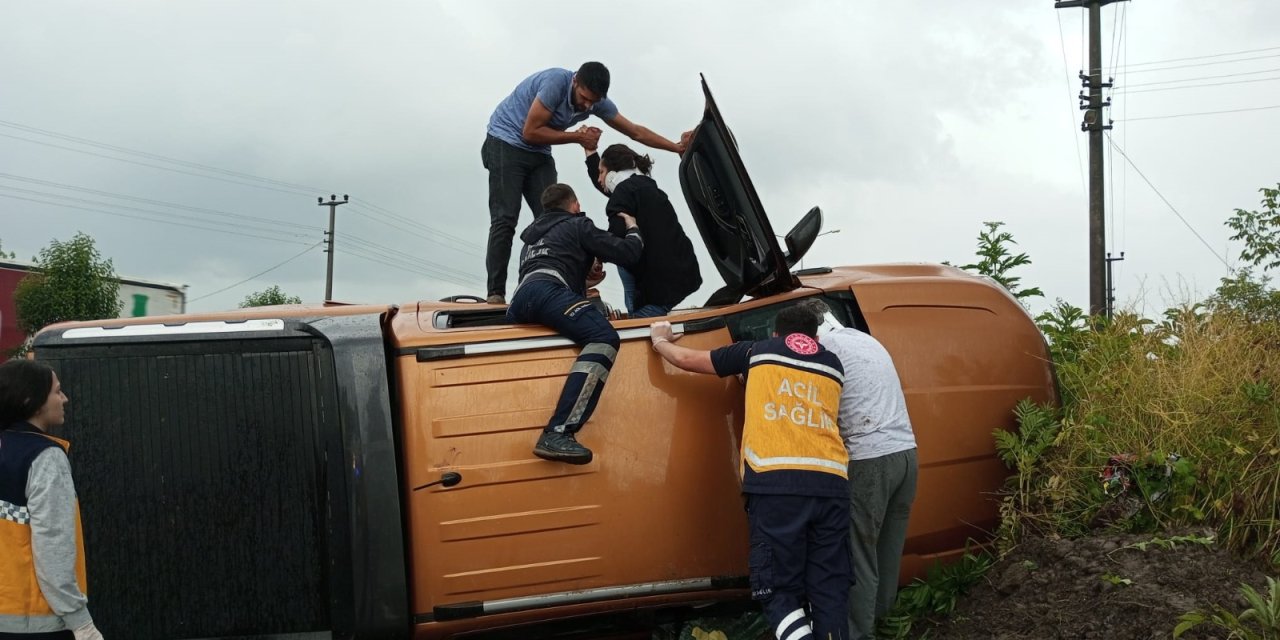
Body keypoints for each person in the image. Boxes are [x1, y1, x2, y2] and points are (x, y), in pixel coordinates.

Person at [650, 305, 851, 640]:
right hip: (832, 481)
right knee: (829, 588)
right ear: (816, 337)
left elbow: (686, 360)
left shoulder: (755, 352)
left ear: (775, 333)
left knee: (777, 590)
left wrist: (659, 340)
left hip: (777, 483)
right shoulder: (833, 364)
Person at [482, 62, 684, 305]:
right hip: (506, 142)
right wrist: (578, 137)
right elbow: (530, 132)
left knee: (557, 220)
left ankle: (568, 284)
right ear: (575, 81)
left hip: (539, 152)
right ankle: (496, 293)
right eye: (584, 98)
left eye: (593, 102)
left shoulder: (597, 102)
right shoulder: (555, 83)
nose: (588, 106)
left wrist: (676, 148)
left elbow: (635, 132)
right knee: (506, 218)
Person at [507, 183, 642, 464]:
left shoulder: (531, 239)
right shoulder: (578, 224)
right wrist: (633, 229)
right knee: (603, 338)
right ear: (575, 205)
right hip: (547, 291)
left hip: (520, 299)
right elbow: (628, 253)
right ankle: (558, 432)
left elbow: (557, 266)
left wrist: (584, 272)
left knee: (575, 330)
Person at [808, 300, 918, 640]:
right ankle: (885, 623)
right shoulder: (866, 339)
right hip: (906, 456)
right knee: (887, 549)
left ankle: (858, 634)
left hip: (870, 461)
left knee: (859, 555)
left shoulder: (825, 348)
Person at [0, 360, 104, 640]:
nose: (64, 398)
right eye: (57, 392)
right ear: (31, 402)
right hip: (36, 622)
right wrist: (81, 622)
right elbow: (52, 547)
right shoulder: (44, 457)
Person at [583, 141, 701, 317]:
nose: (599, 179)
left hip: (658, 289)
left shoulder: (623, 194)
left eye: (601, 172)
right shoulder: (647, 186)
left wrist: (595, 258)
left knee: (626, 256)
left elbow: (616, 240)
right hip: (683, 272)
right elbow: (608, 187)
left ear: (613, 174)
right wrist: (591, 152)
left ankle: (636, 320)